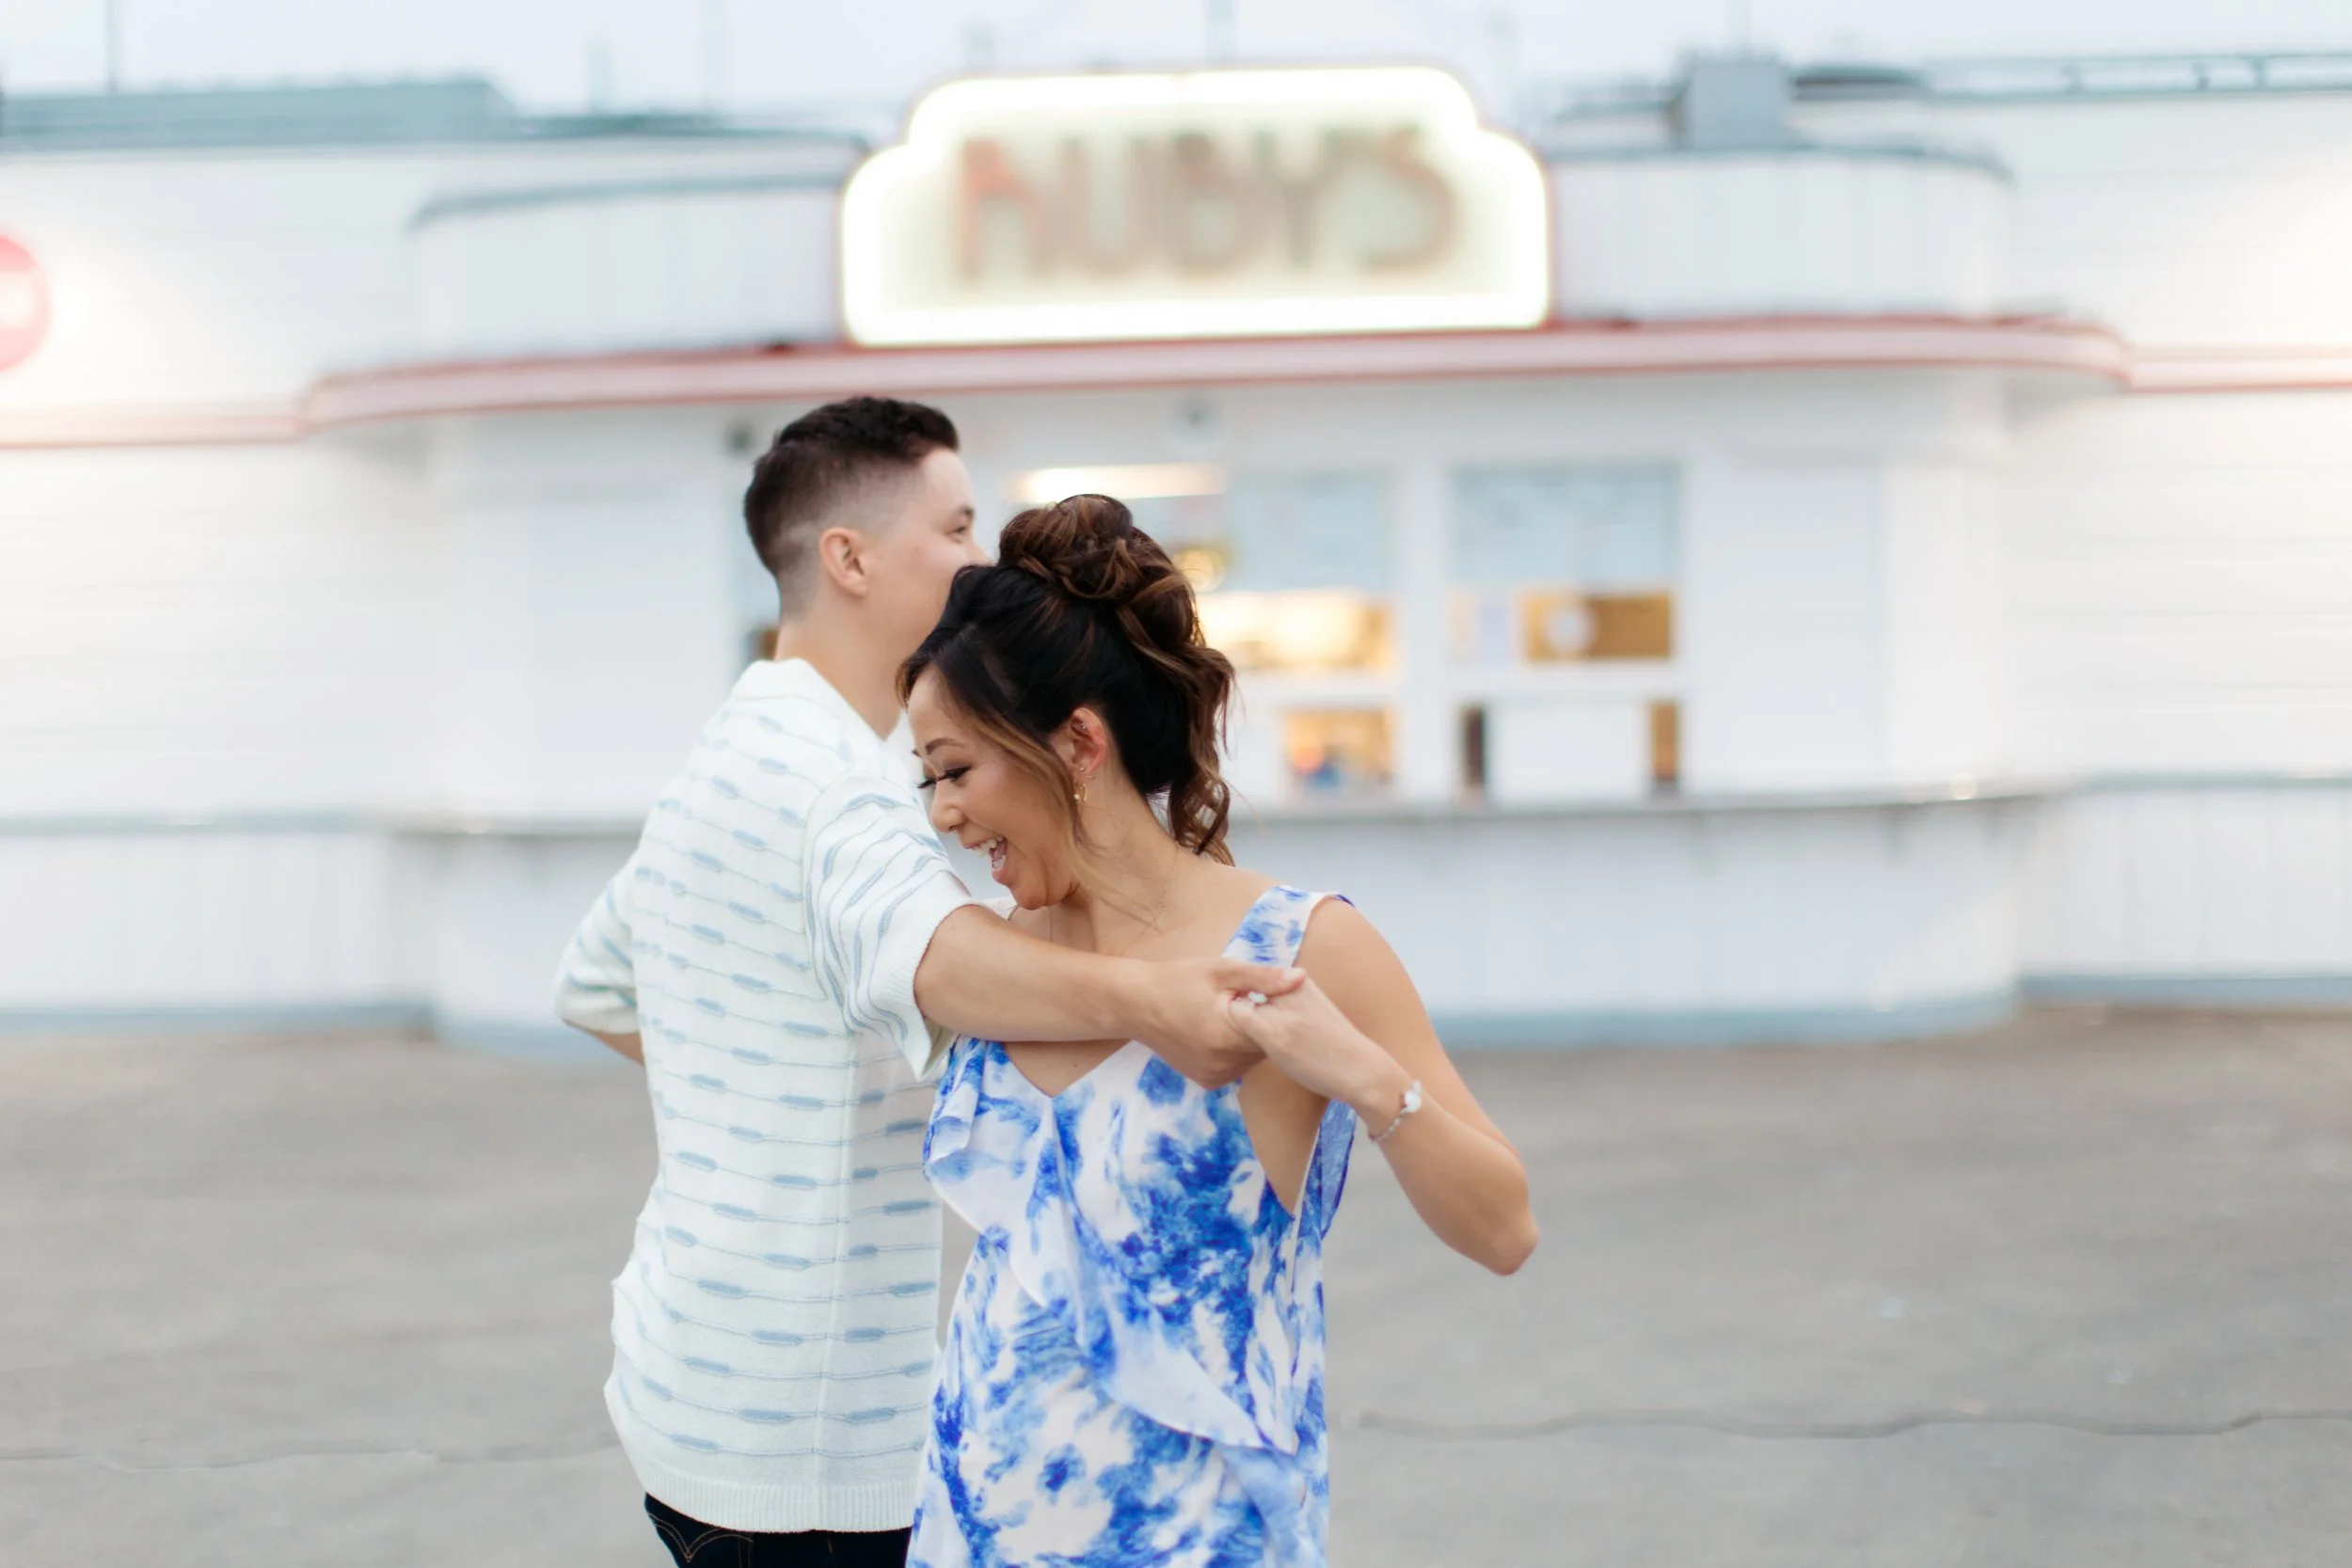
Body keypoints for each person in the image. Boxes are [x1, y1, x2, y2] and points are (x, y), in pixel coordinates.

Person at [551, 401, 1300, 1568]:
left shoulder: (730, 751)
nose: (977, 555)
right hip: (807, 1444)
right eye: (953, 527)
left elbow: (597, 981)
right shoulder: (832, 782)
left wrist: (775, 1076)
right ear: (847, 558)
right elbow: (939, 954)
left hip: (690, 1377)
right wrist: (1154, 998)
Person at [902, 494, 1539, 1568]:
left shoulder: (1301, 943)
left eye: (957, 770)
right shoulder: (1000, 960)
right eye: (927, 780)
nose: (941, 813)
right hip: (972, 1535)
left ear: (1080, 742)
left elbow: (1504, 1228)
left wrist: (1365, 1078)